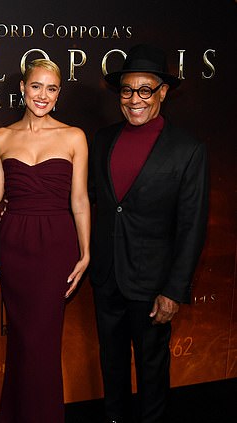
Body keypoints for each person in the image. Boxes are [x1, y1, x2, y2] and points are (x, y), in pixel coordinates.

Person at [89, 44, 209, 423]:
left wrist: (175, 289)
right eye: (127, 90)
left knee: (153, 376)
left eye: (145, 90)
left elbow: (192, 226)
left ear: (163, 92)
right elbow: (92, 202)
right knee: (112, 371)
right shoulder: (102, 140)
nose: (134, 99)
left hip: (154, 286)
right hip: (107, 279)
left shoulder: (188, 150)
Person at [0, 58, 90, 422]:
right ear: (22, 88)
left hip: (56, 245)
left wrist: (86, 251)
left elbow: (79, 200)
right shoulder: (1, 138)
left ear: (58, 93)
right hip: (14, 243)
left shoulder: (73, 136)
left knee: (42, 344)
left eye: (51, 88)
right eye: (36, 86)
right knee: (21, 341)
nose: (43, 95)